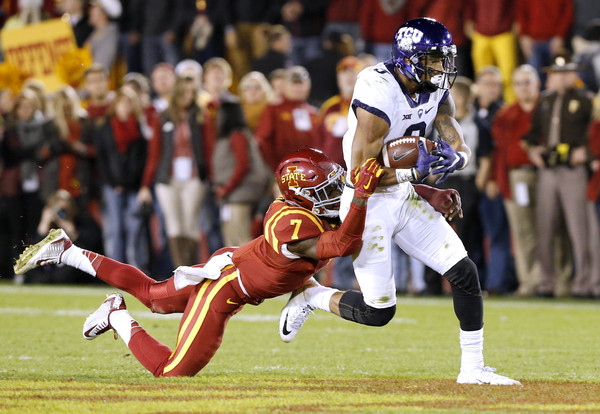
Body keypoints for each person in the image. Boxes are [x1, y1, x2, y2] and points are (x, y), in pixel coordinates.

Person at [279, 17, 521, 385]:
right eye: (435, 59)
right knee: (379, 312)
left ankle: (472, 370)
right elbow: (361, 173)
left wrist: (460, 157)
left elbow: (450, 127)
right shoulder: (377, 88)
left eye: (446, 58)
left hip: (403, 196)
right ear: (409, 59)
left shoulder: (432, 84)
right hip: (367, 202)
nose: (443, 68)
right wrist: (416, 174)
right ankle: (310, 297)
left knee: (464, 272)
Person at [13, 150, 384, 377]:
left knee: (153, 296)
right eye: (328, 190)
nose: (338, 195)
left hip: (232, 266)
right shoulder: (291, 224)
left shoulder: (308, 210)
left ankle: (66, 251)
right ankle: (114, 314)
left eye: (338, 186)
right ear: (302, 196)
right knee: (171, 371)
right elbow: (343, 242)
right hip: (225, 286)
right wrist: (363, 196)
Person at [522, 52, 593, 298]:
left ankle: (584, 284)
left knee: (579, 228)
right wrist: (534, 150)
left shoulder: (585, 100)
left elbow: (593, 133)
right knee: (545, 227)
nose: (559, 78)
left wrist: (586, 152)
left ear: (574, 75)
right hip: (548, 170)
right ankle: (546, 283)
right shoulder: (545, 101)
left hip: (574, 169)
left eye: (564, 73)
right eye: (556, 73)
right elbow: (532, 135)